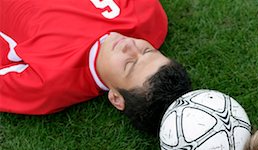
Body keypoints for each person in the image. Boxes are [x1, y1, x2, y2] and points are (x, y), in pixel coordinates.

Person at [0, 0, 191, 135]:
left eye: (129, 64)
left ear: (116, 98)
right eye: (148, 51)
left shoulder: (49, 83)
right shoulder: (147, 17)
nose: (130, 46)